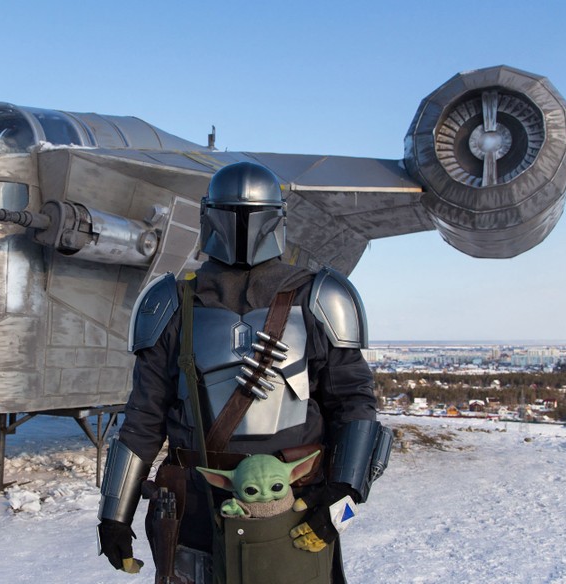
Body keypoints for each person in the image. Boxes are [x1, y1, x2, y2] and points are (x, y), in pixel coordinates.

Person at [97, 161, 392, 584]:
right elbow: (144, 418)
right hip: (195, 508)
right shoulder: (171, 302)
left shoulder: (319, 297)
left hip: (297, 505)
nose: (241, 228)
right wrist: (114, 516)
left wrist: (342, 501)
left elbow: (354, 407)